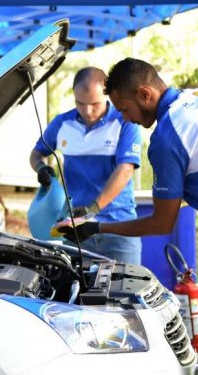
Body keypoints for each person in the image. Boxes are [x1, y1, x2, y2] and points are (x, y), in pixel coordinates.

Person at [62, 57, 198, 374]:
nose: (126, 119)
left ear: (144, 94)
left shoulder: (167, 138)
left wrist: (97, 227)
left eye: (124, 109)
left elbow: (161, 222)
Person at [30, 67, 143, 264]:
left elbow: (125, 170)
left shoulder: (125, 121)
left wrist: (93, 208)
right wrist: (41, 168)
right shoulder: (62, 123)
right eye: (80, 103)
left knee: (124, 291)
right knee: (76, 291)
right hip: (76, 229)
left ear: (107, 95)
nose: (88, 111)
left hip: (119, 228)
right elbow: (36, 153)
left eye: (94, 104)